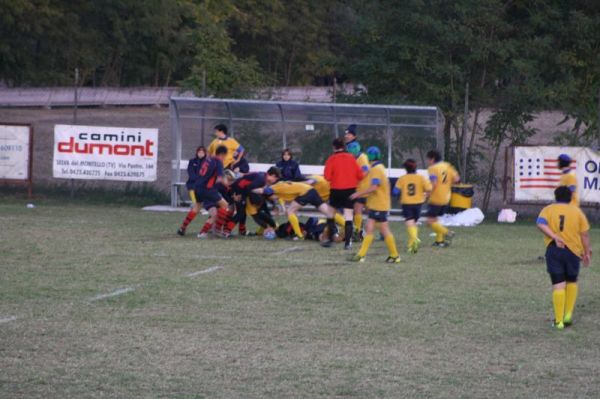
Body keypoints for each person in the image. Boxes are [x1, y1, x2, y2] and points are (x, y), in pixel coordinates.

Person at [536, 186, 592, 329]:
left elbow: (540, 223)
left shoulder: (548, 209)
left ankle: (559, 321)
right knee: (571, 281)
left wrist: (555, 237)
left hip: (554, 250)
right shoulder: (577, 212)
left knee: (558, 284)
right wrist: (586, 252)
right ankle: (568, 315)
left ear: (556, 197)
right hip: (573, 252)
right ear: (571, 197)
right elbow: (584, 234)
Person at [349, 146, 400, 263]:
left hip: (379, 205)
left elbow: (374, 187)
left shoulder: (376, 169)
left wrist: (358, 193)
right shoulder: (379, 167)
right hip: (378, 204)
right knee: (369, 228)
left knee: (384, 230)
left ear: (369, 157)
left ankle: (395, 255)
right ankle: (361, 255)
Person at [253, 181, 337, 242]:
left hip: (305, 192)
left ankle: (299, 235)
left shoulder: (273, 189)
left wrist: (250, 190)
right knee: (327, 211)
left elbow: (262, 191)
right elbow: (280, 198)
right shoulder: (278, 189)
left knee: (291, 211)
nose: (275, 199)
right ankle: (346, 227)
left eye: (271, 198)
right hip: (311, 190)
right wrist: (283, 208)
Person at [324, 138, 364, 249]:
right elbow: (360, 175)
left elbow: (327, 176)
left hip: (336, 190)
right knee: (348, 216)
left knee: (330, 214)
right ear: (344, 147)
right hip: (350, 190)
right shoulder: (351, 158)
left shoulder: (331, 159)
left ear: (334, 147)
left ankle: (331, 239)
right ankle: (348, 244)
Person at [393, 159, 432, 253]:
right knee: (413, 223)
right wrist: (426, 196)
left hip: (407, 203)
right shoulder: (421, 177)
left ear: (405, 168)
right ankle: (411, 246)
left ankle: (415, 239)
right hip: (419, 204)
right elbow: (429, 189)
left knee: (409, 222)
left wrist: (398, 195)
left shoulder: (402, 178)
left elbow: (395, 191)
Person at [231, 167, 282, 236]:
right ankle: (226, 230)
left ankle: (242, 231)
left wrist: (272, 203)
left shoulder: (263, 177)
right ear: (273, 176)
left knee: (243, 212)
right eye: (276, 178)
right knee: (241, 213)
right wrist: (253, 200)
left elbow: (255, 190)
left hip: (242, 191)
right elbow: (249, 188)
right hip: (238, 190)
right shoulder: (261, 179)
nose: (275, 181)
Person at [426, 150, 460, 247]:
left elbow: (434, 184)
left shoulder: (432, 168)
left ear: (432, 159)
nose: (428, 161)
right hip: (446, 198)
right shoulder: (447, 166)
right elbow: (457, 179)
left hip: (436, 198)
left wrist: (427, 194)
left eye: (429, 159)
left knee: (430, 221)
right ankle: (439, 241)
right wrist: (447, 185)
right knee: (435, 220)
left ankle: (448, 233)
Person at [195, 145, 229, 238]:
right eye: (225, 155)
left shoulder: (208, 159)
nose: (225, 158)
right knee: (225, 205)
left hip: (198, 188)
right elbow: (220, 179)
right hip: (208, 189)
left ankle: (203, 233)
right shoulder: (218, 162)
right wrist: (228, 183)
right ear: (222, 154)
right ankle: (217, 230)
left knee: (214, 212)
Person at [177, 146, 206, 236]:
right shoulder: (192, 161)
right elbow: (191, 173)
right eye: (199, 152)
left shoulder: (207, 163)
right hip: (196, 185)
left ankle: (214, 229)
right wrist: (199, 180)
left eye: (202, 152)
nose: (200, 153)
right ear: (197, 153)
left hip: (204, 186)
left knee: (198, 207)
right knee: (197, 206)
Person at [347, 141, 370, 241]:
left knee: (366, 211)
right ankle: (358, 231)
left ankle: (359, 231)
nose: (349, 154)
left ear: (355, 151)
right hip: (359, 188)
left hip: (364, 189)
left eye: (350, 152)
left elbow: (365, 172)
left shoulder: (362, 158)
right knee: (358, 210)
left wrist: (354, 179)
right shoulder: (355, 158)